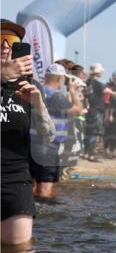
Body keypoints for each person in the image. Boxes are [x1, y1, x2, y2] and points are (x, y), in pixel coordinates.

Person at [1, 20, 54, 248]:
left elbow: (49, 135)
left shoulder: (30, 86)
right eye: (0, 39)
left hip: (15, 179)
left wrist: (39, 105)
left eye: (12, 41)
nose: (5, 46)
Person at [29, 64, 85, 199]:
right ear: (60, 79)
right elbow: (78, 110)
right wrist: (73, 91)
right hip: (48, 148)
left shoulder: (36, 92)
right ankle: (46, 211)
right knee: (45, 192)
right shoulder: (56, 96)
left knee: (32, 188)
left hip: (32, 145)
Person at [83, 63, 106, 161]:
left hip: (90, 110)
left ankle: (86, 153)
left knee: (89, 131)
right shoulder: (99, 84)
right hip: (96, 110)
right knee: (95, 132)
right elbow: (108, 91)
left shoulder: (87, 82)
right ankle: (91, 154)